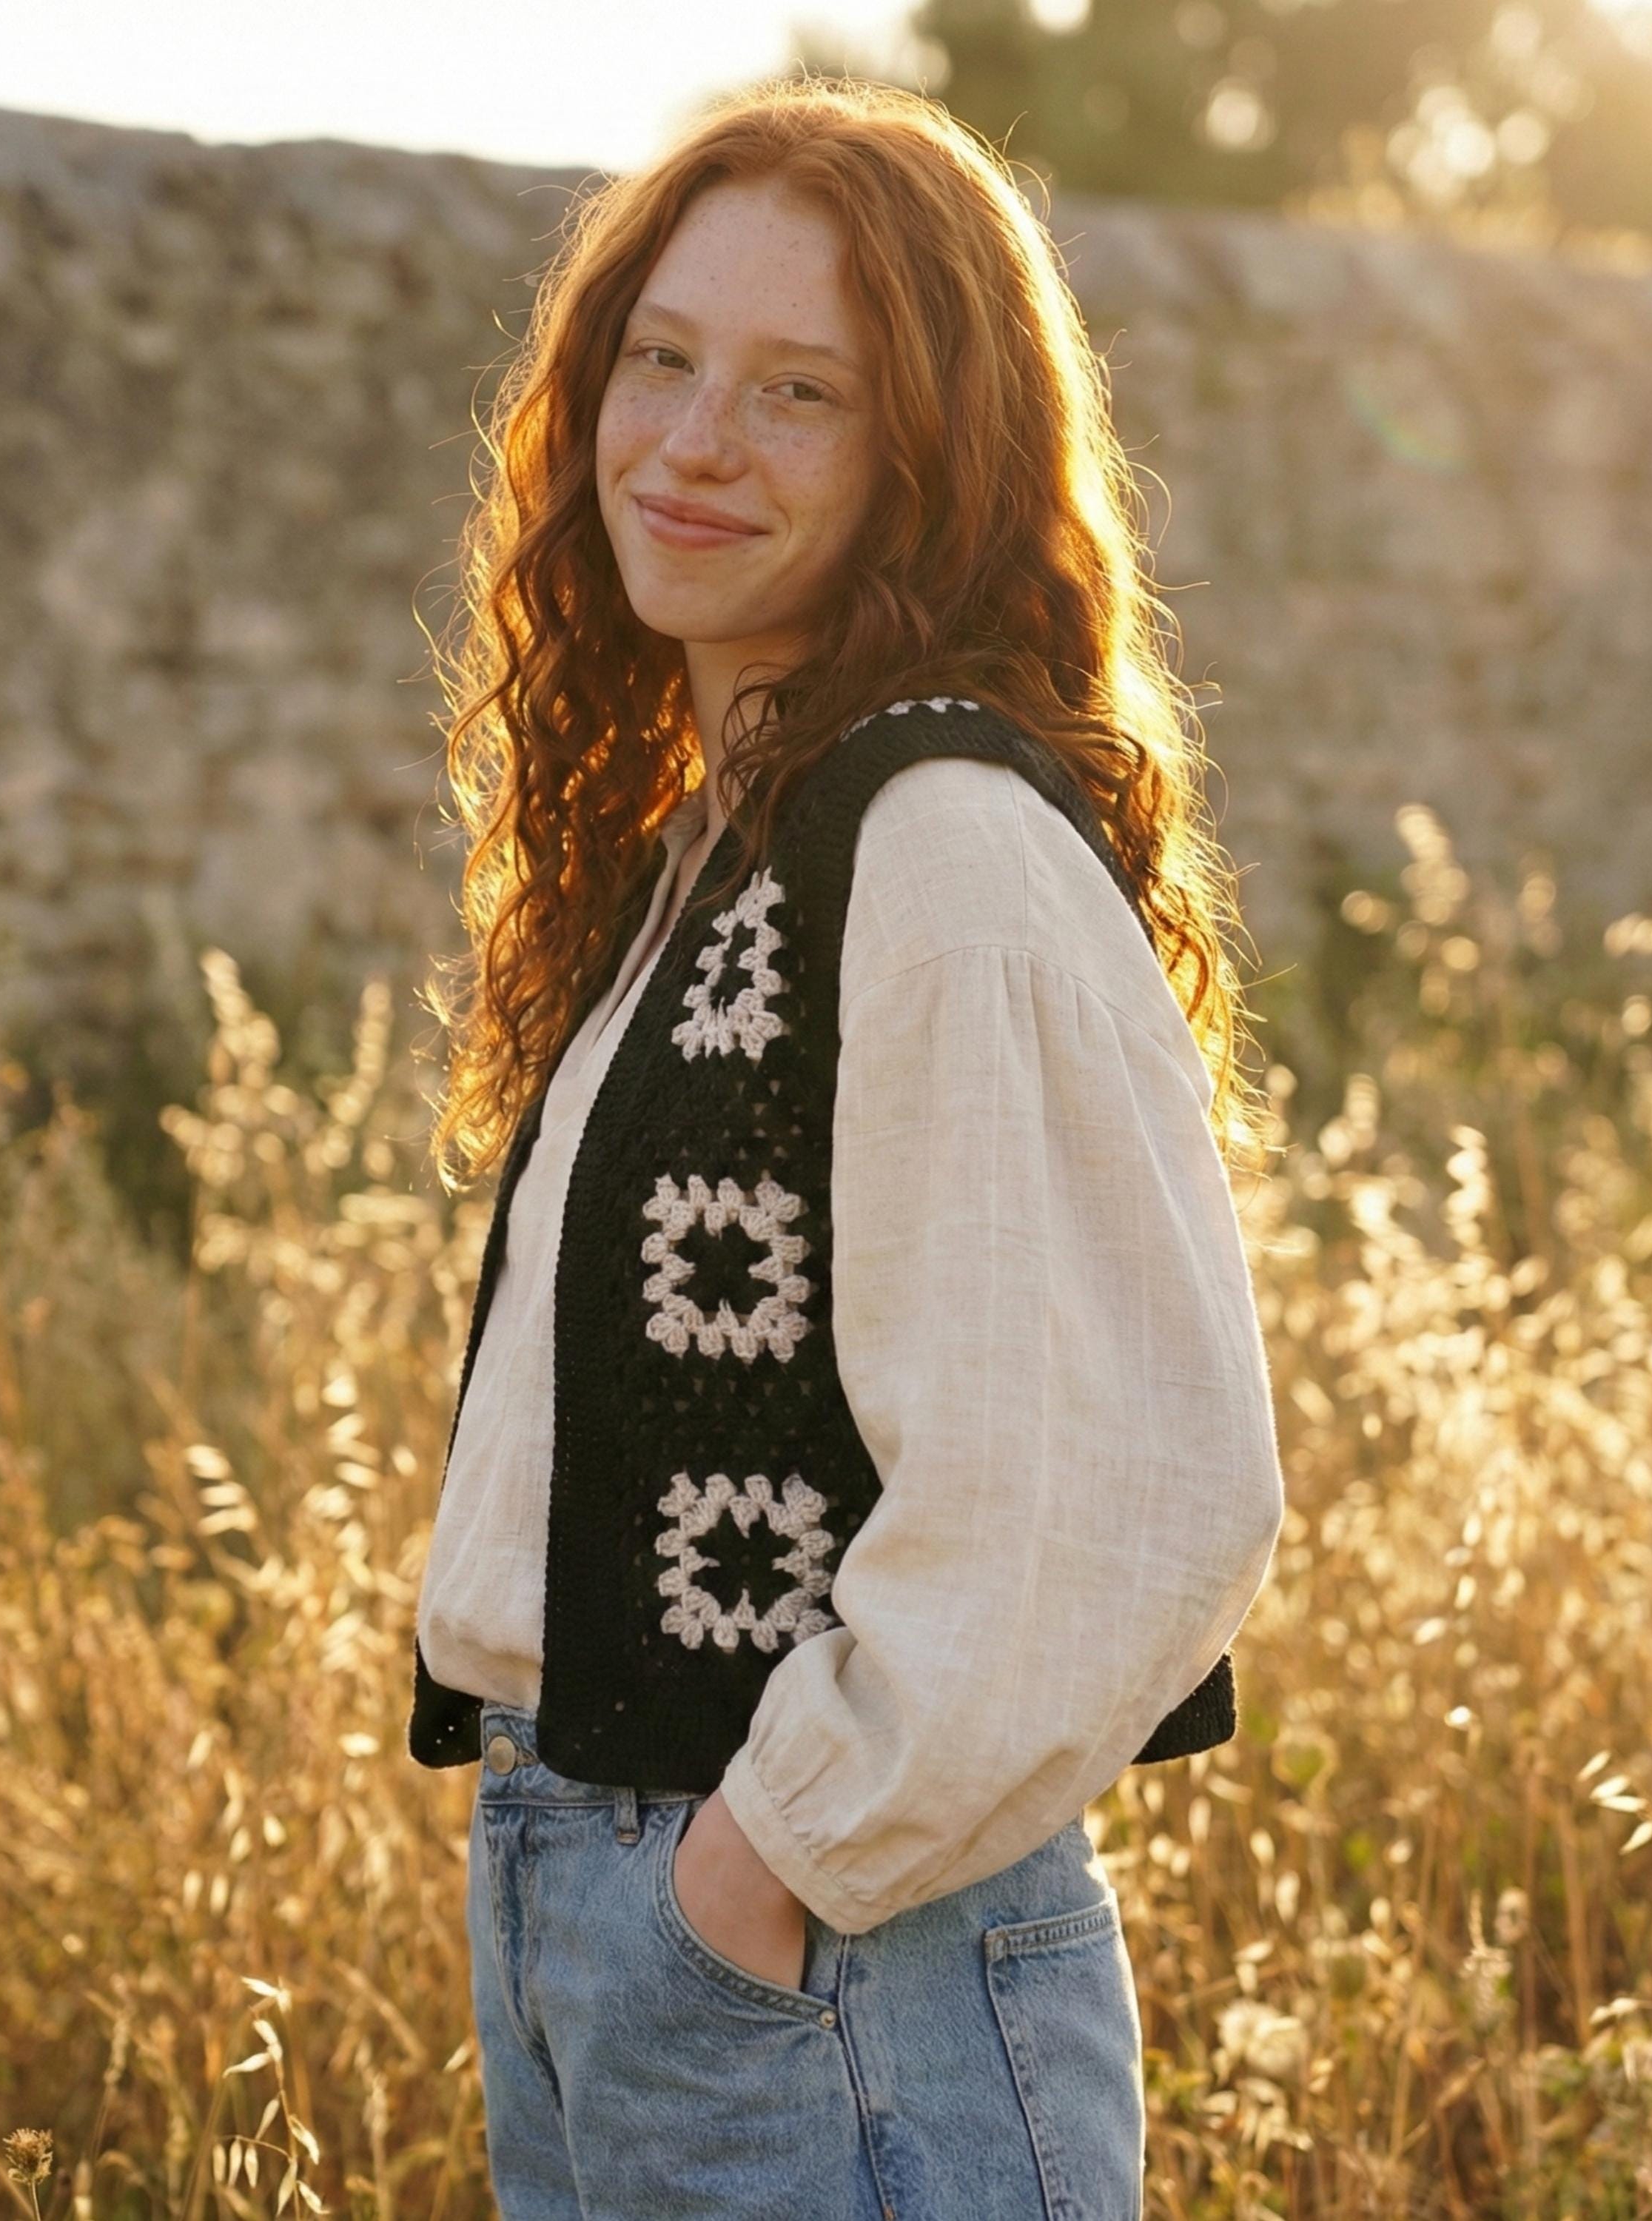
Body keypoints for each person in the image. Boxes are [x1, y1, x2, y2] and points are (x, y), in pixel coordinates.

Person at [409, 72, 1285, 2221]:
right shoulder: (721, 848)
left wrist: (767, 1863)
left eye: (798, 391)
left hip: (822, 1967)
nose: (694, 442)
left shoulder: (941, 844)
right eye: (662, 360)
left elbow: (1119, 1481)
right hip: (605, 1899)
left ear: (931, 459)